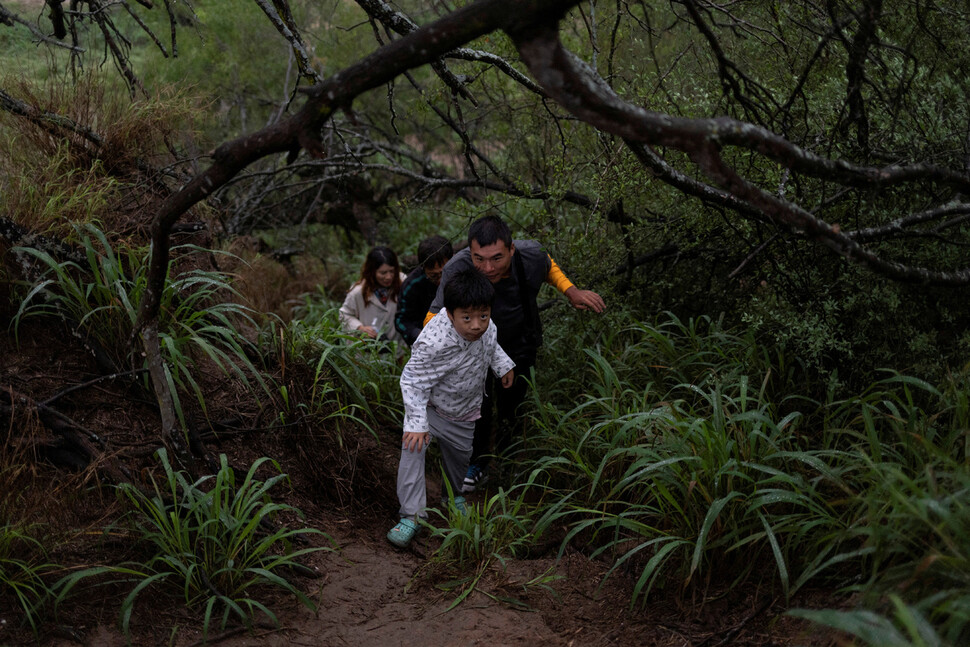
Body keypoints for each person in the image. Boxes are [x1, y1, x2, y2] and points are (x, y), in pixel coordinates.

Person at [425, 215, 605, 492]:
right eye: (479, 259)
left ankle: (509, 461)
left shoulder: (529, 255)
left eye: (496, 258)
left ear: (511, 249)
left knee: (513, 405)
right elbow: (435, 314)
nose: (487, 268)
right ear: (469, 252)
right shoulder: (458, 268)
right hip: (472, 349)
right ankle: (478, 464)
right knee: (478, 407)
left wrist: (571, 291)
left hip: (520, 341)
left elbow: (548, 265)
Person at [387, 268, 515, 548]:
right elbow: (412, 380)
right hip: (430, 410)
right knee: (412, 450)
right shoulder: (434, 342)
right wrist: (418, 424)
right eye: (466, 318)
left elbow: (491, 346)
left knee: (459, 461)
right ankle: (411, 515)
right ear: (449, 313)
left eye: (483, 315)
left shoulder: (487, 327)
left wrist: (503, 365)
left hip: (465, 412)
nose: (476, 325)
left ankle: (452, 496)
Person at [338, 246, 407, 347]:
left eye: (392, 271)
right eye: (383, 273)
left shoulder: (402, 282)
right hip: (366, 353)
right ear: (372, 272)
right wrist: (360, 328)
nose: (388, 277)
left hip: (395, 348)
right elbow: (344, 315)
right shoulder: (358, 292)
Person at [395, 235, 454, 346]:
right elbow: (402, 320)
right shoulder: (412, 285)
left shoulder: (464, 272)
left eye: (444, 273)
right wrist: (418, 334)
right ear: (423, 267)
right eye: (434, 276)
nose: (441, 280)